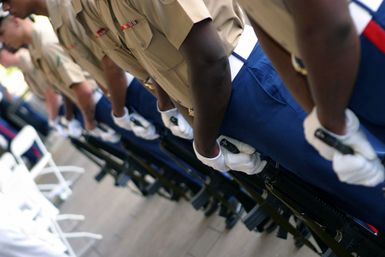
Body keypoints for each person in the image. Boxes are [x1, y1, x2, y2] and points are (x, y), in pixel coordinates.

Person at [64, 0, 385, 230]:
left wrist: (204, 144)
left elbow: (210, 58)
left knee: (362, 186)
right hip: (250, 89)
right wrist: (322, 122)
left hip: (270, 74)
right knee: (342, 188)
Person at [236, 0, 385, 187]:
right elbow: (260, 16)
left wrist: (331, 123)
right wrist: (320, 121)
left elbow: (332, 25)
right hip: (334, 57)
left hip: (362, 36)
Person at [1, 0, 193, 141]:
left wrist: (118, 111)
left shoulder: (67, 10)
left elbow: (111, 61)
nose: (6, 8)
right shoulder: (56, 17)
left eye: (7, 1)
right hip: (125, 92)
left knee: (189, 144)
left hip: (134, 87)